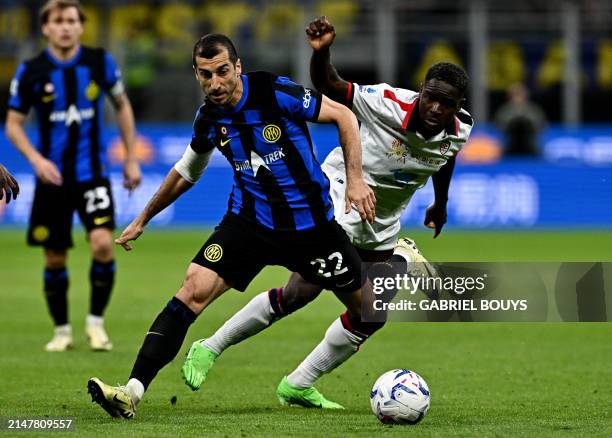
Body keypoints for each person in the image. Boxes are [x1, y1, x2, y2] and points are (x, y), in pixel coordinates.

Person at [180, 16, 474, 409]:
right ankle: (211, 347)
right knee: (301, 291)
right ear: (420, 91)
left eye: (447, 103)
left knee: (370, 315)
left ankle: (299, 383)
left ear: (459, 107)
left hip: (382, 220)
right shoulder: (386, 101)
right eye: (430, 97)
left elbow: (444, 155)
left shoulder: (461, 128)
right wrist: (323, 54)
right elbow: (332, 87)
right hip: (340, 196)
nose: (436, 108)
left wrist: (441, 202)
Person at [87, 32, 376, 419]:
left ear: (237, 67)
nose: (215, 83)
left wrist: (355, 180)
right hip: (249, 223)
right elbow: (187, 171)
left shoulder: (273, 92)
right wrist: (143, 218)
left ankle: (300, 380)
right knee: (192, 288)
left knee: (367, 312)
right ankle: (131, 392)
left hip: (311, 229)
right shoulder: (208, 117)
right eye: (205, 75)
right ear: (196, 74)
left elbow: (344, 116)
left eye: (223, 71)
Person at [5, 0, 141, 352]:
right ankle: (62, 330)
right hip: (52, 179)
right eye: (58, 21)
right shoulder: (32, 70)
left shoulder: (99, 61)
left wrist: (130, 159)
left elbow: (122, 104)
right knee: (54, 256)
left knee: (101, 244)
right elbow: (13, 124)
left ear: (81, 26)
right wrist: (36, 160)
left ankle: (95, 324)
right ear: (46, 28)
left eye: (71, 20)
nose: (65, 27)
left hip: (93, 174)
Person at [494, 82, 546, 156]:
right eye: (515, 95)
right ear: (509, 97)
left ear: (526, 96)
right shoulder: (503, 111)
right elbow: (499, 128)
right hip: (510, 146)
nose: (518, 98)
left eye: (520, 95)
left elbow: (541, 127)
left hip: (530, 146)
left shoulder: (535, 110)